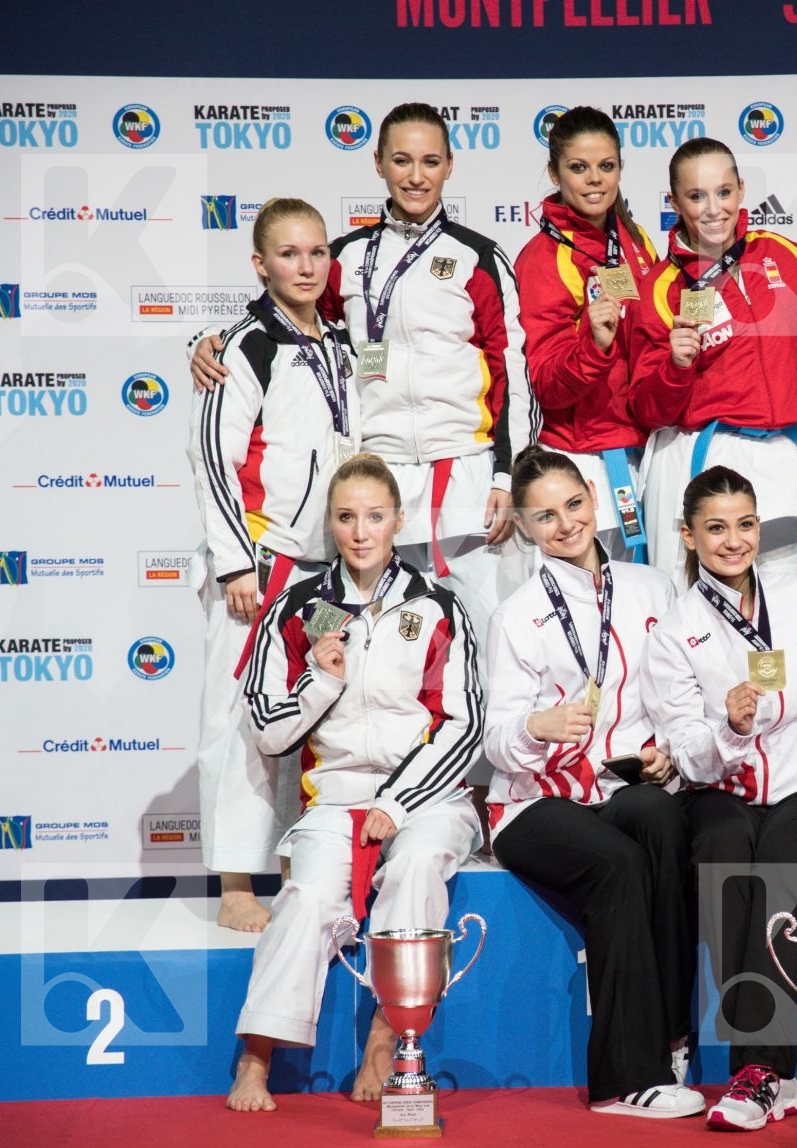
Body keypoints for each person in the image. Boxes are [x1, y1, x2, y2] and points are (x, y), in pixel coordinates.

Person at [192, 102, 532, 639]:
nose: (416, 176)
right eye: (401, 160)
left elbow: (512, 370)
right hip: (376, 479)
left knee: (490, 634)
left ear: (450, 165)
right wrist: (206, 341)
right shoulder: (343, 258)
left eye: (430, 161)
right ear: (378, 163)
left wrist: (506, 474)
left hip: (466, 475)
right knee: (377, 643)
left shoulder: (479, 257)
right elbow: (289, 321)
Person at [227, 454, 483, 1112]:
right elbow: (267, 730)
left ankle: (387, 1036)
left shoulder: (437, 605)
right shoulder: (299, 607)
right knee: (306, 897)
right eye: (346, 517)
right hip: (336, 797)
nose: (361, 532)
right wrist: (321, 682)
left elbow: (464, 724)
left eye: (374, 517)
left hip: (427, 797)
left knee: (416, 866)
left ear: (398, 519)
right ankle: (256, 1056)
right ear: (331, 524)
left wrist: (398, 801)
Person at [479, 446, 702, 1119]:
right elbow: (496, 741)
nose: (566, 523)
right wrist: (537, 726)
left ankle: (672, 1038)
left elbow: (678, 692)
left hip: (617, 786)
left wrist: (668, 754)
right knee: (618, 862)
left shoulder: (653, 588)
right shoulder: (516, 615)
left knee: (663, 820)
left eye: (573, 504)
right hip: (534, 802)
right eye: (545, 516)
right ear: (523, 526)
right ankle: (622, 1079)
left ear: (594, 499)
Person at [640, 467, 797, 1132]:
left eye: (745, 524)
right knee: (725, 857)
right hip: (721, 789)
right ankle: (774, 1076)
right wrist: (729, 727)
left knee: (777, 882)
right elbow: (687, 753)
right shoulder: (674, 631)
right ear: (688, 536)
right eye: (716, 528)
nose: (734, 541)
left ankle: (757, 1069)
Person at [188, 197, 358, 931]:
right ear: (260, 264)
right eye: (289, 254)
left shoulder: (342, 340)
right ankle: (235, 884)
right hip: (262, 562)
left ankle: (294, 866)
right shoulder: (245, 345)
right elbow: (211, 457)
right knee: (239, 720)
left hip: (326, 568)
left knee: (309, 712)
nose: (306, 266)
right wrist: (234, 565)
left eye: (317, 252)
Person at [628, 139, 797, 583]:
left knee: (785, 604)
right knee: (696, 609)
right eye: (696, 196)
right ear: (674, 202)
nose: (713, 209)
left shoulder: (784, 254)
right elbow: (646, 409)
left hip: (783, 461)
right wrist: (676, 367)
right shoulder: (661, 287)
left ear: (741, 190)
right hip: (703, 458)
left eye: (723, 192)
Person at [513, 107, 659, 563]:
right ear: (554, 172)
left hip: (643, 450)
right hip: (584, 460)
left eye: (606, 166)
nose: (595, 179)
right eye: (579, 167)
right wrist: (595, 346)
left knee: (644, 595)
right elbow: (546, 386)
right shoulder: (542, 259)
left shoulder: (636, 241)